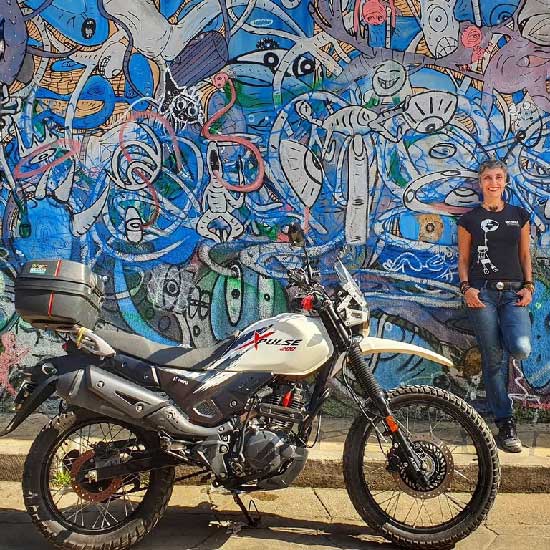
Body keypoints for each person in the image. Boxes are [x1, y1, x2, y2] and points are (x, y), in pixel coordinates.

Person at [457, 159, 533, 453]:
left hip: (514, 295)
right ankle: (506, 423)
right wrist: (466, 289)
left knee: (521, 348)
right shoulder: (469, 219)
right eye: (488, 177)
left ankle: (504, 338)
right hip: (482, 295)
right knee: (493, 360)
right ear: (480, 183)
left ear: (505, 181)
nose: (493, 182)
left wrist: (529, 286)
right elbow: (463, 260)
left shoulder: (519, 215)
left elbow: (526, 255)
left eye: (498, 177)